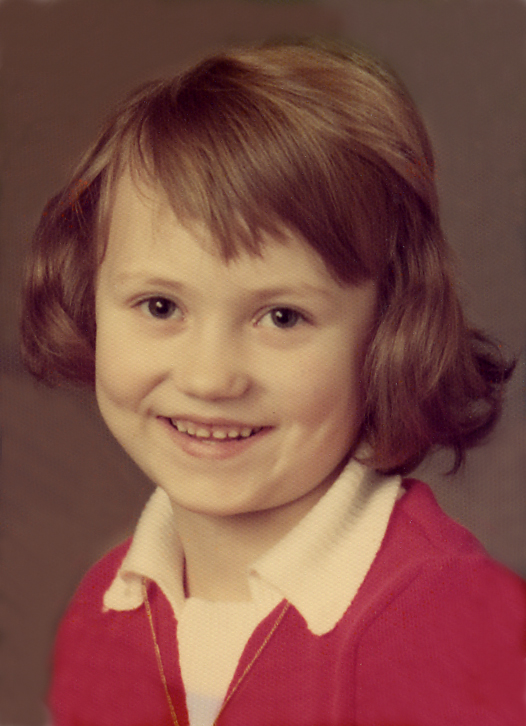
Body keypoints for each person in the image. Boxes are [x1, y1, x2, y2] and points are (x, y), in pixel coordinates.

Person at [21, 38, 526, 726]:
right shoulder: (104, 606)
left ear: (387, 333)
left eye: (282, 317)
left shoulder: (449, 621)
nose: (209, 378)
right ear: (89, 302)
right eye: (160, 306)